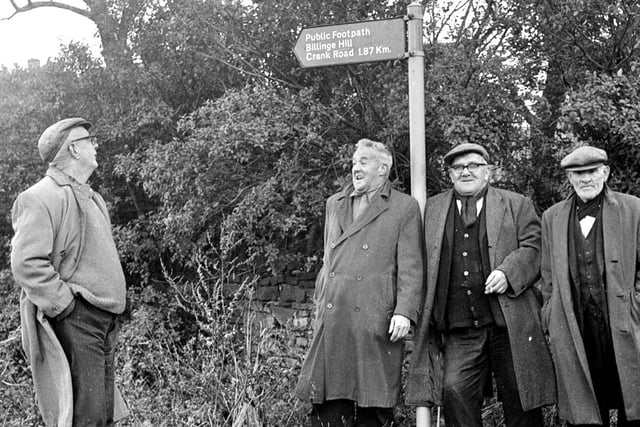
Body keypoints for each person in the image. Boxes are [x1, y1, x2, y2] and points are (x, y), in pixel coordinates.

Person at [406, 143, 556, 427]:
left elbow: (536, 247)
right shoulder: (433, 209)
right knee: (454, 392)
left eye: (473, 166)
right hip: (461, 329)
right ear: (450, 175)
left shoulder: (516, 204)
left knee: (520, 397)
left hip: (509, 325)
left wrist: (509, 273)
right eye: (458, 168)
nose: (466, 172)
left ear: (488, 171)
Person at [295, 138, 424, 426]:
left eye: (363, 162)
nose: (355, 167)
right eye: (354, 162)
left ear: (383, 169)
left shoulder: (404, 207)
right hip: (334, 313)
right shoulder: (334, 203)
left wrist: (404, 311)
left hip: (373, 315)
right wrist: (320, 301)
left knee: (372, 406)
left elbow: (411, 266)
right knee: (327, 403)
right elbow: (329, 260)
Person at [11, 118, 128, 426]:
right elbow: (27, 264)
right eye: (90, 139)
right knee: (85, 418)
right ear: (74, 149)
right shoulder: (39, 197)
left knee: (102, 414)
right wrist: (67, 307)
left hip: (105, 319)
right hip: (78, 319)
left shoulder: (92, 197)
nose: (96, 144)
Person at [540, 146, 640, 426]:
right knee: (584, 406)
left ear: (605, 172)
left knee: (630, 400)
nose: (586, 179)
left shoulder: (633, 208)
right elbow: (547, 275)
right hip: (576, 325)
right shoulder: (552, 217)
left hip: (623, 324)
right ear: (569, 178)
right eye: (578, 173)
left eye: (592, 172)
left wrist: (635, 307)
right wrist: (551, 313)